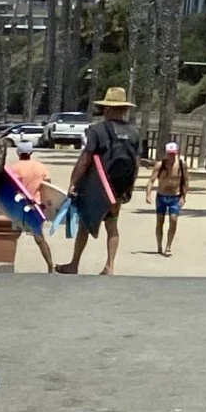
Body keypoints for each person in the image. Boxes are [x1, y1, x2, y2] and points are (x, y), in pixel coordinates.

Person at [59, 88, 140, 275]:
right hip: (118, 188)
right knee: (112, 225)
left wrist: (73, 182)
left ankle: (74, 264)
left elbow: (86, 159)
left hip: (96, 187)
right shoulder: (133, 133)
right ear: (124, 109)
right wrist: (129, 189)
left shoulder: (97, 130)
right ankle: (110, 266)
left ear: (107, 109)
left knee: (85, 224)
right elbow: (135, 165)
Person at [2, 141, 59, 272]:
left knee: (11, 236)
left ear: (18, 153)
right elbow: (47, 187)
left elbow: (10, 189)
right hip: (35, 208)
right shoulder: (40, 167)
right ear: (31, 152)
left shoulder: (14, 168)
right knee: (39, 238)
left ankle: (5, 263)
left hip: (18, 208)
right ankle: (50, 266)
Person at [143, 140, 189, 257]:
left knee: (173, 220)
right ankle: (159, 245)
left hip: (175, 196)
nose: (171, 156)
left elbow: (186, 181)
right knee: (160, 222)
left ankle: (168, 246)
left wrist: (184, 196)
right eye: (169, 153)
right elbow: (151, 180)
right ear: (166, 153)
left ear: (177, 152)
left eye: (173, 153)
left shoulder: (181, 165)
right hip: (161, 196)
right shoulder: (160, 165)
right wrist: (148, 194)